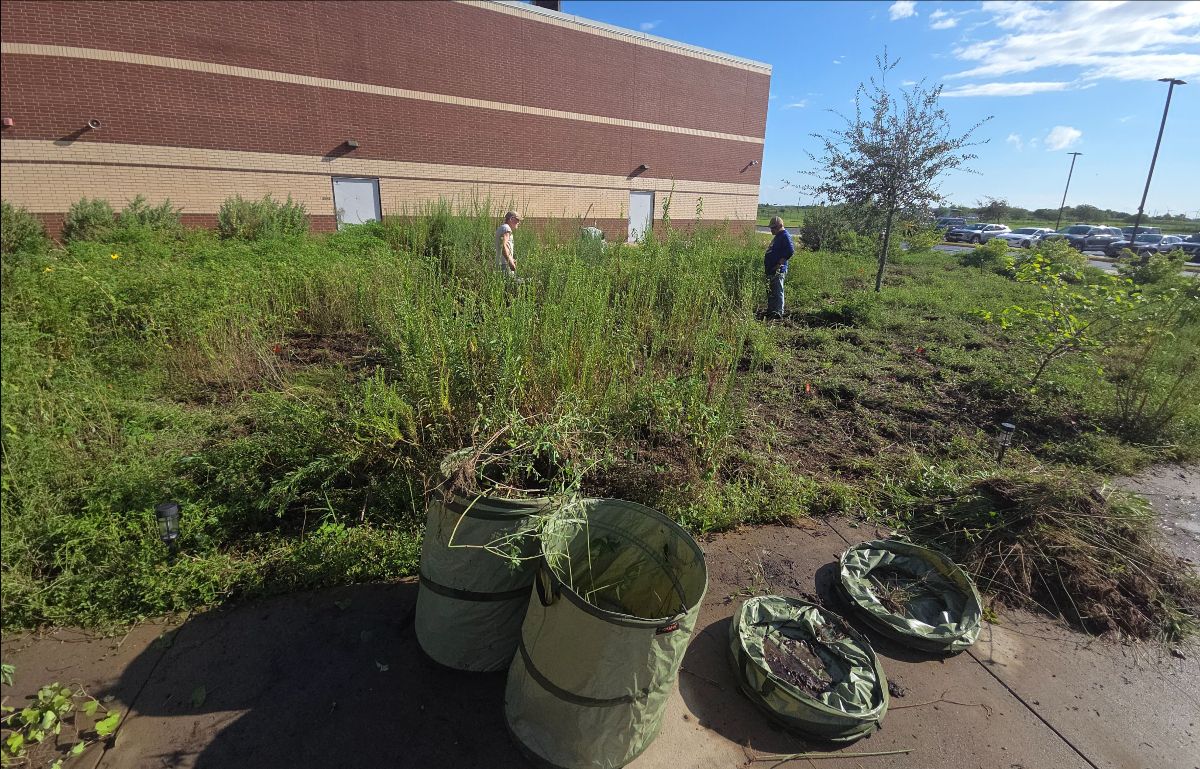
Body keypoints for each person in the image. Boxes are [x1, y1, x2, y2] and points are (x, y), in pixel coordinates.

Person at [764, 216, 794, 319]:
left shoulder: (785, 235)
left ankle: (778, 313)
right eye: (771, 228)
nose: (771, 230)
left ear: (780, 226)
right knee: (771, 292)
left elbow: (790, 251)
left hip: (778, 270)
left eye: (774, 228)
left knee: (777, 292)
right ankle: (771, 311)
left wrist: (778, 264)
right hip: (771, 270)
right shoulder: (778, 236)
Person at [494, 211, 522, 277]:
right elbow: (503, 246)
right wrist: (510, 262)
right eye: (517, 220)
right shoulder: (506, 228)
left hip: (502, 264)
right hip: (505, 265)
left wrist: (511, 259)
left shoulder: (503, 228)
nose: (519, 222)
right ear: (511, 219)